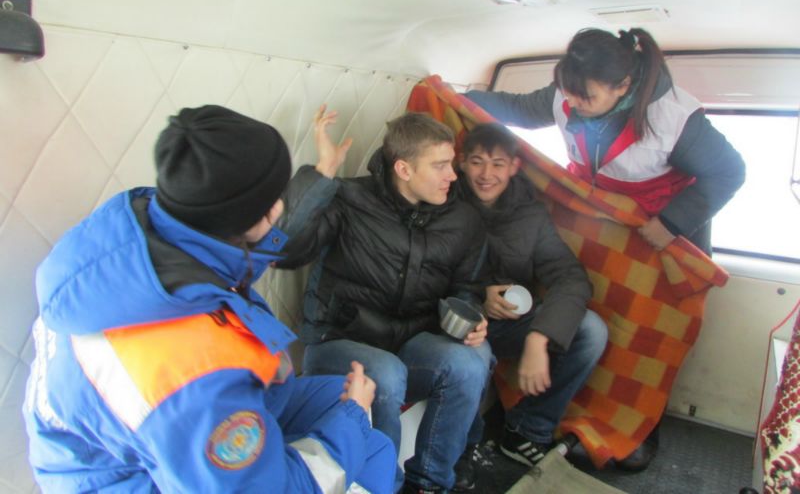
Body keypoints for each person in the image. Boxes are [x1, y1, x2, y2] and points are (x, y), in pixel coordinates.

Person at [23, 105, 396, 493]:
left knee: (369, 438)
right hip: (137, 478)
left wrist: (322, 172)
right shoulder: (194, 375)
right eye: (274, 197)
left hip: (142, 433)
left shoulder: (138, 238)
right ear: (247, 216)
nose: (280, 205)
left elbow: (252, 248)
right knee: (359, 433)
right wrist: (353, 416)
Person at [464, 27, 746, 470]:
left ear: (623, 85)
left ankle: (638, 429)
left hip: (660, 228)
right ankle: (569, 413)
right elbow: (517, 109)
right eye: (568, 93)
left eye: (586, 97)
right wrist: (456, 98)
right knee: (595, 317)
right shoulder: (569, 91)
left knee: (646, 337)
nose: (573, 104)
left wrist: (670, 224)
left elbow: (729, 171)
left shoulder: (673, 116)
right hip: (602, 224)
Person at [278, 111, 493, 494]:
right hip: (337, 341)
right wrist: (323, 173)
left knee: (471, 362)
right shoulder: (349, 199)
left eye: (451, 163)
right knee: (387, 374)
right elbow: (283, 250)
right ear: (404, 169)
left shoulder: (462, 219)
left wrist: (471, 316)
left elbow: (468, 286)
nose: (453, 175)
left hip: (409, 341)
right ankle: (381, 487)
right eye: (440, 165)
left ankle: (428, 484)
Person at [456, 122, 608, 470]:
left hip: (511, 322)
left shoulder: (530, 215)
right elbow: (427, 271)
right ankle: (464, 450)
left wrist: (540, 337)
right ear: (461, 163)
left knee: (591, 330)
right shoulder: (443, 201)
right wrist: (480, 295)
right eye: (477, 162)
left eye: (497, 164)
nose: (486, 175)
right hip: (459, 319)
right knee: (472, 354)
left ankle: (527, 429)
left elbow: (570, 277)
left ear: (514, 166)